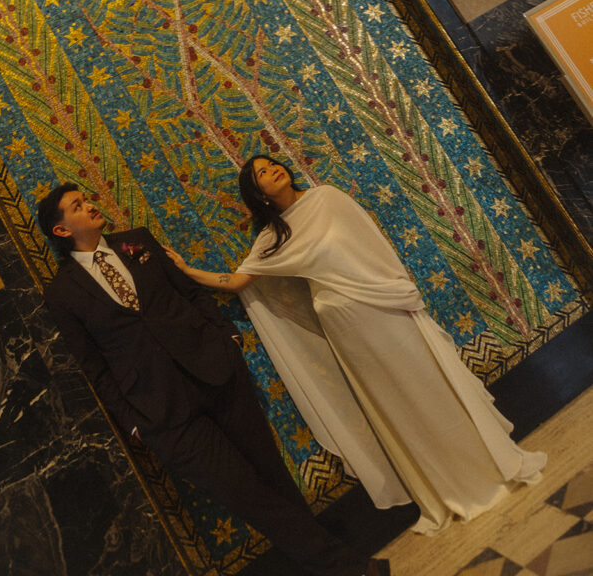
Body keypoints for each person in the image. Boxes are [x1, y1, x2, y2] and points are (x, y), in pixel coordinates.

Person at [165, 156, 547, 536]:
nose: (272, 170)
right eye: (261, 174)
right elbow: (236, 282)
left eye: (271, 163)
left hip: (385, 307)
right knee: (400, 403)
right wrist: (185, 271)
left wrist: (395, 287)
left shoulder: (326, 198)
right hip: (347, 328)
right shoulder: (271, 239)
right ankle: (448, 486)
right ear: (258, 195)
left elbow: (372, 244)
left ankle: (486, 468)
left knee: (430, 386)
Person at [38, 182, 387, 576]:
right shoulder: (62, 293)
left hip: (217, 372)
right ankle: (348, 568)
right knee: (246, 495)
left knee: (273, 475)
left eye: (87, 199)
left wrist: (229, 338)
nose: (91, 206)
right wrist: (134, 424)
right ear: (62, 231)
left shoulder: (137, 242)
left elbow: (189, 293)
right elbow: (93, 366)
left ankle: (335, 563)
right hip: (165, 413)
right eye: (78, 206)